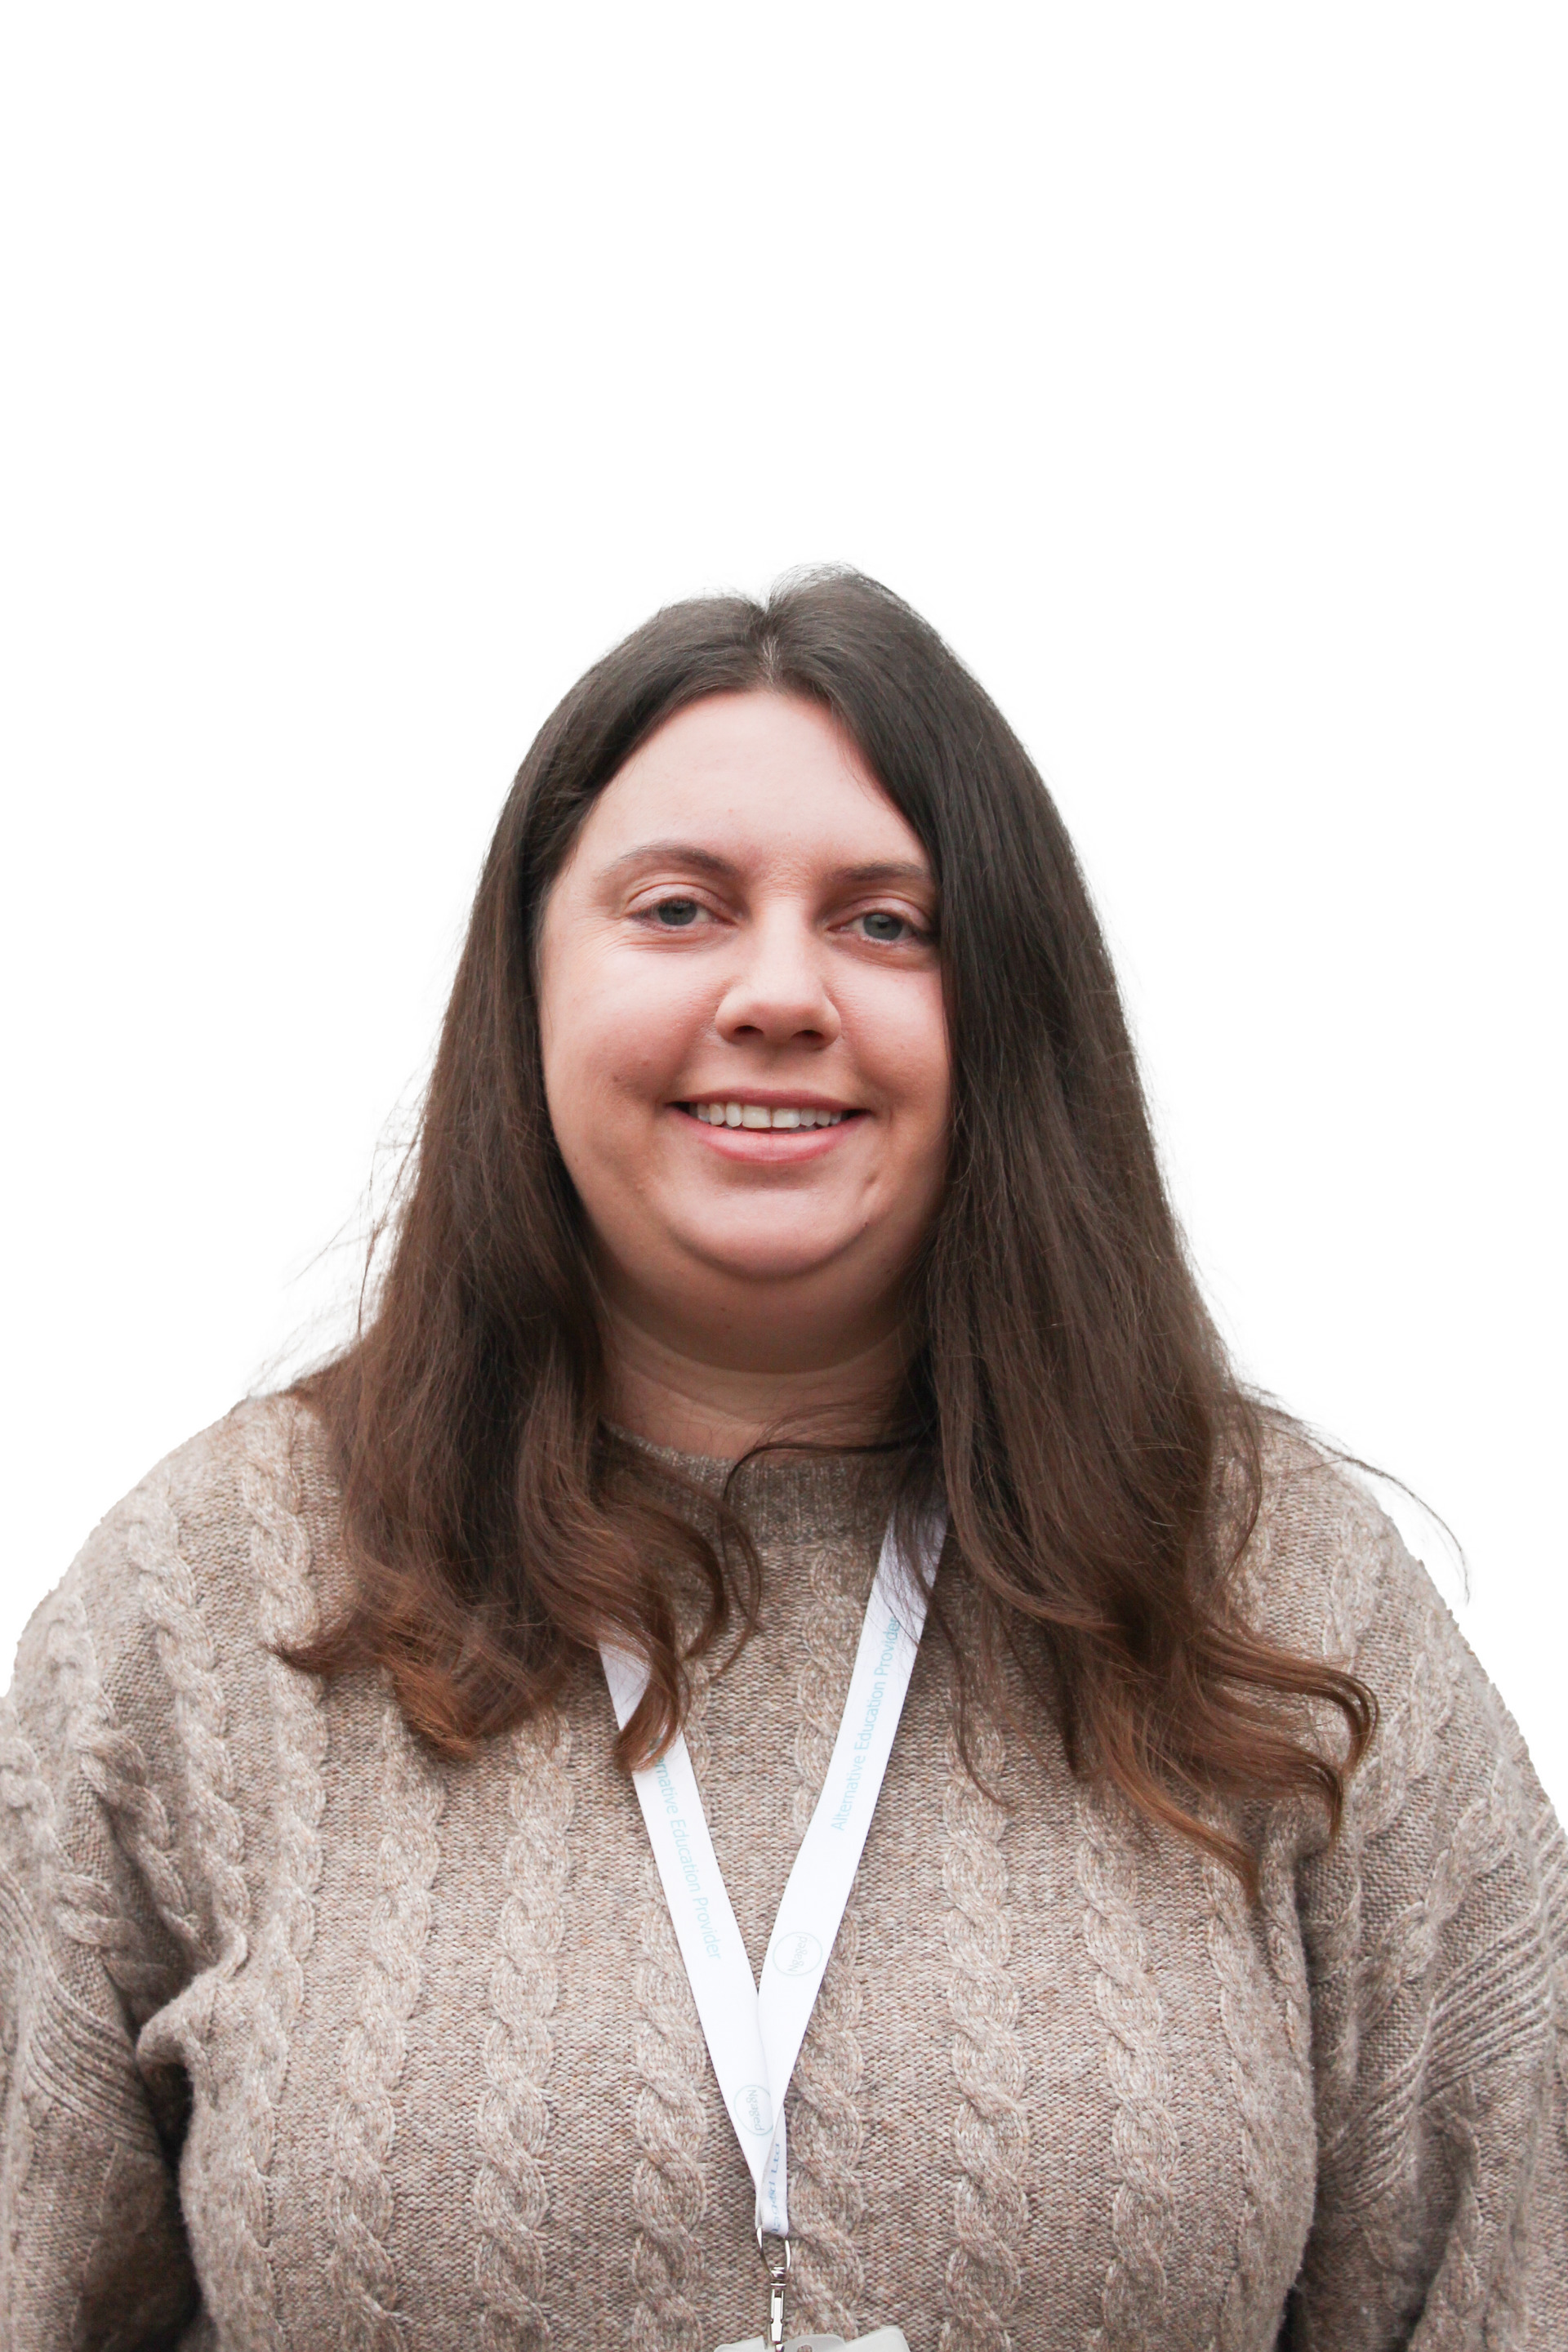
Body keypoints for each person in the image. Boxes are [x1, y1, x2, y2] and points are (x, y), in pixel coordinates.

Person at [2, 572, 1562, 2350]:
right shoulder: (211, 1600)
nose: (778, 992)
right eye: (679, 909)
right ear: (525, 990)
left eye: (887, 924)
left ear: (1013, 1015)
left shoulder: (1269, 1584)